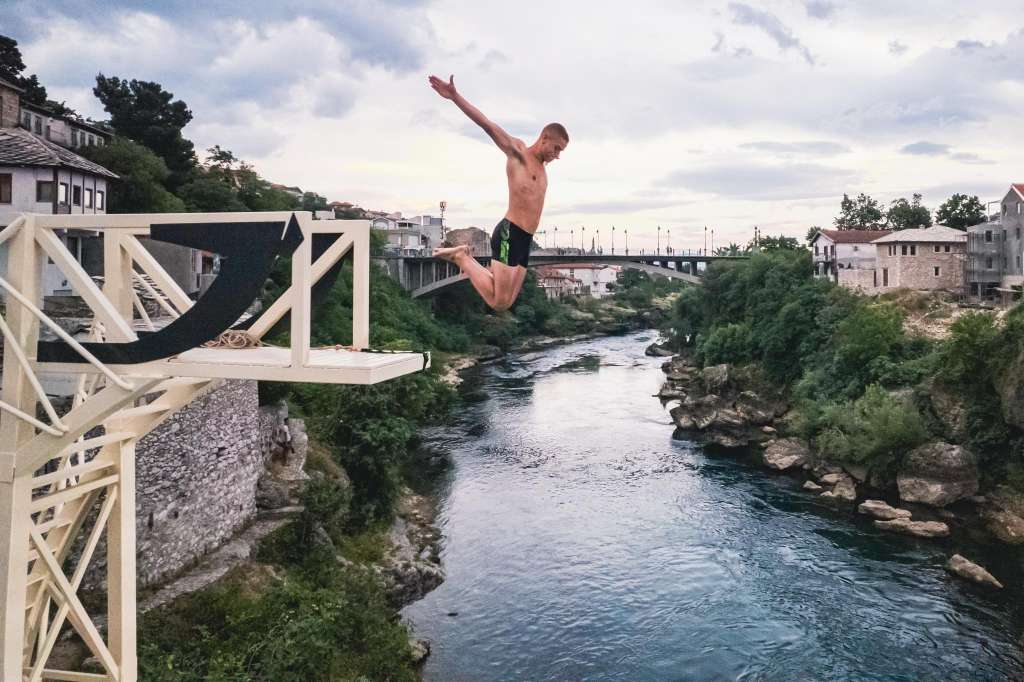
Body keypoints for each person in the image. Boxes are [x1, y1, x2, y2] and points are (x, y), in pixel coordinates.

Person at [429, 74, 568, 311]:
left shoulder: (544, 171)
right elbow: (487, 125)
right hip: (508, 234)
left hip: (525, 240)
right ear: (544, 138)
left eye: (560, 152)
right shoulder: (519, 154)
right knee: (498, 302)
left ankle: (464, 258)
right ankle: (462, 257)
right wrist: (454, 96)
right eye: (556, 148)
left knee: (506, 301)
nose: (557, 155)